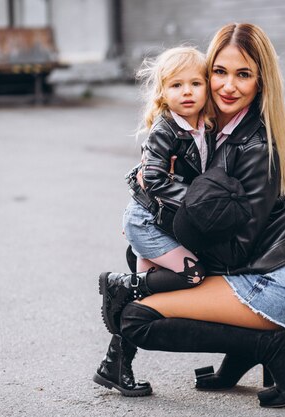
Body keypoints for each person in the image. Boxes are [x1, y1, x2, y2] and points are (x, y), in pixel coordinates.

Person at [95, 23, 285, 408]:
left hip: (276, 282)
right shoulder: (207, 126)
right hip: (255, 265)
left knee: (137, 317)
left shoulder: (258, 145)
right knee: (146, 258)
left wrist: (163, 221)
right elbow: (162, 181)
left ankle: (274, 346)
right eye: (219, 72)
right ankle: (241, 351)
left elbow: (233, 252)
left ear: (261, 82)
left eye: (243, 75)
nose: (228, 86)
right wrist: (153, 211)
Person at [98, 46, 217, 337]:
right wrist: (196, 200)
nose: (187, 92)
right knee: (193, 274)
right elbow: (152, 178)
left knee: (144, 300)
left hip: (162, 218)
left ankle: (116, 362)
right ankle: (118, 283)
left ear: (206, 88)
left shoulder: (204, 127)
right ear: (163, 92)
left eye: (195, 84)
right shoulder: (165, 131)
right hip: (147, 221)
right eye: (177, 85)